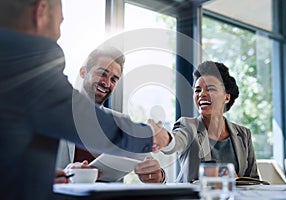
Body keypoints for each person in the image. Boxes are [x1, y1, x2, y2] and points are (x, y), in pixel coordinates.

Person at [0, 0, 170, 199]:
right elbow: (84, 121)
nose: (58, 34)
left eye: (114, 78)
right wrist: (149, 135)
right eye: (59, 23)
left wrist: (40, 178)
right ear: (41, 10)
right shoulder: (29, 65)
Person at [56, 46, 166, 184]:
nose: (106, 83)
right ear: (83, 72)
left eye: (114, 79)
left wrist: (158, 175)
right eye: (102, 73)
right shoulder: (57, 113)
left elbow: (147, 161)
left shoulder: (121, 123)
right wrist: (69, 173)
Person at [161, 61, 259, 182]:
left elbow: (254, 181)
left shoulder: (244, 134)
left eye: (210, 89)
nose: (202, 94)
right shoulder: (188, 126)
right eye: (197, 90)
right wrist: (163, 138)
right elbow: (174, 142)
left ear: (227, 97)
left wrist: (236, 181)